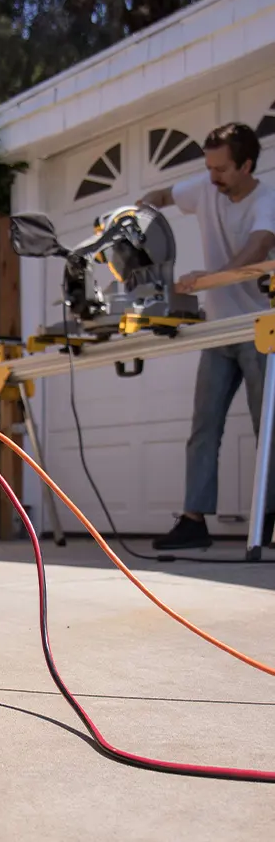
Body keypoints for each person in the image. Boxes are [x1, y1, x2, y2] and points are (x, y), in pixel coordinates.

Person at [137, 122, 275, 550]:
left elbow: (258, 246)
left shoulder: (267, 198)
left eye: (221, 169)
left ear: (247, 164)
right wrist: (141, 210)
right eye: (208, 167)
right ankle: (194, 522)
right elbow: (164, 196)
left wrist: (209, 278)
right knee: (204, 428)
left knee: (266, 429)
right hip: (218, 332)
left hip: (261, 330)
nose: (212, 177)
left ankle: (268, 522)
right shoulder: (206, 186)